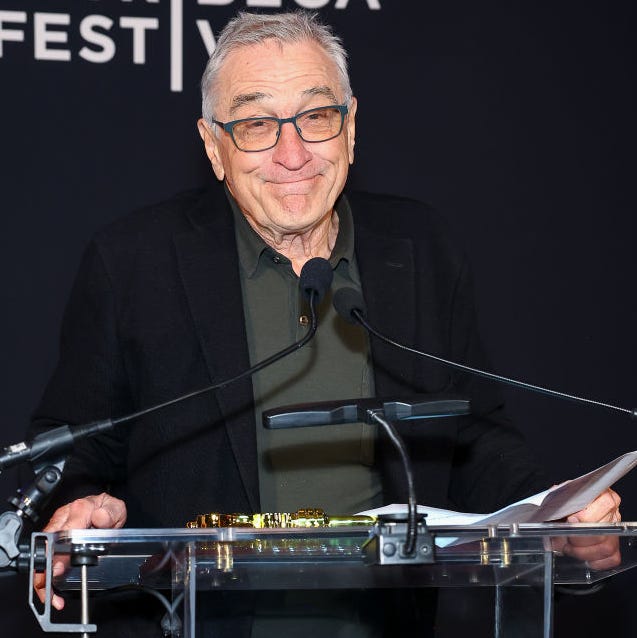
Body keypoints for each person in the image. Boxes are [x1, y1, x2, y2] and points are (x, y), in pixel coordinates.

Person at [31, 10, 621, 637]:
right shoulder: (134, 263)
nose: (293, 154)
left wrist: (557, 520)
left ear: (351, 126)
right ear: (213, 146)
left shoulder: (419, 247)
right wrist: (78, 506)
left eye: (315, 117)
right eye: (257, 124)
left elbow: (473, 436)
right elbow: (72, 449)